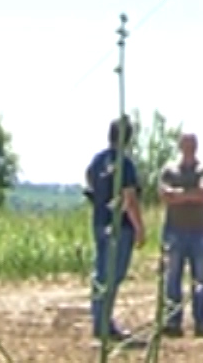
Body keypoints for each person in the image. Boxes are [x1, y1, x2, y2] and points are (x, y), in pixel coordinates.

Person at [86, 117, 146, 343]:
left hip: (100, 221)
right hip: (120, 226)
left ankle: (100, 319)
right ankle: (103, 322)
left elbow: (90, 182)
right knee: (114, 273)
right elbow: (130, 198)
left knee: (101, 271)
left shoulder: (98, 160)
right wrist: (139, 227)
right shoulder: (126, 164)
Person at [158, 132, 203, 337]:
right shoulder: (169, 170)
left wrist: (179, 195)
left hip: (200, 232)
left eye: (192, 144)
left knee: (200, 278)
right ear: (180, 146)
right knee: (173, 277)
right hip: (175, 231)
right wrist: (190, 195)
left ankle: (201, 321)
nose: (189, 147)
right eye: (186, 144)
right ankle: (173, 320)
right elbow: (165, 195)